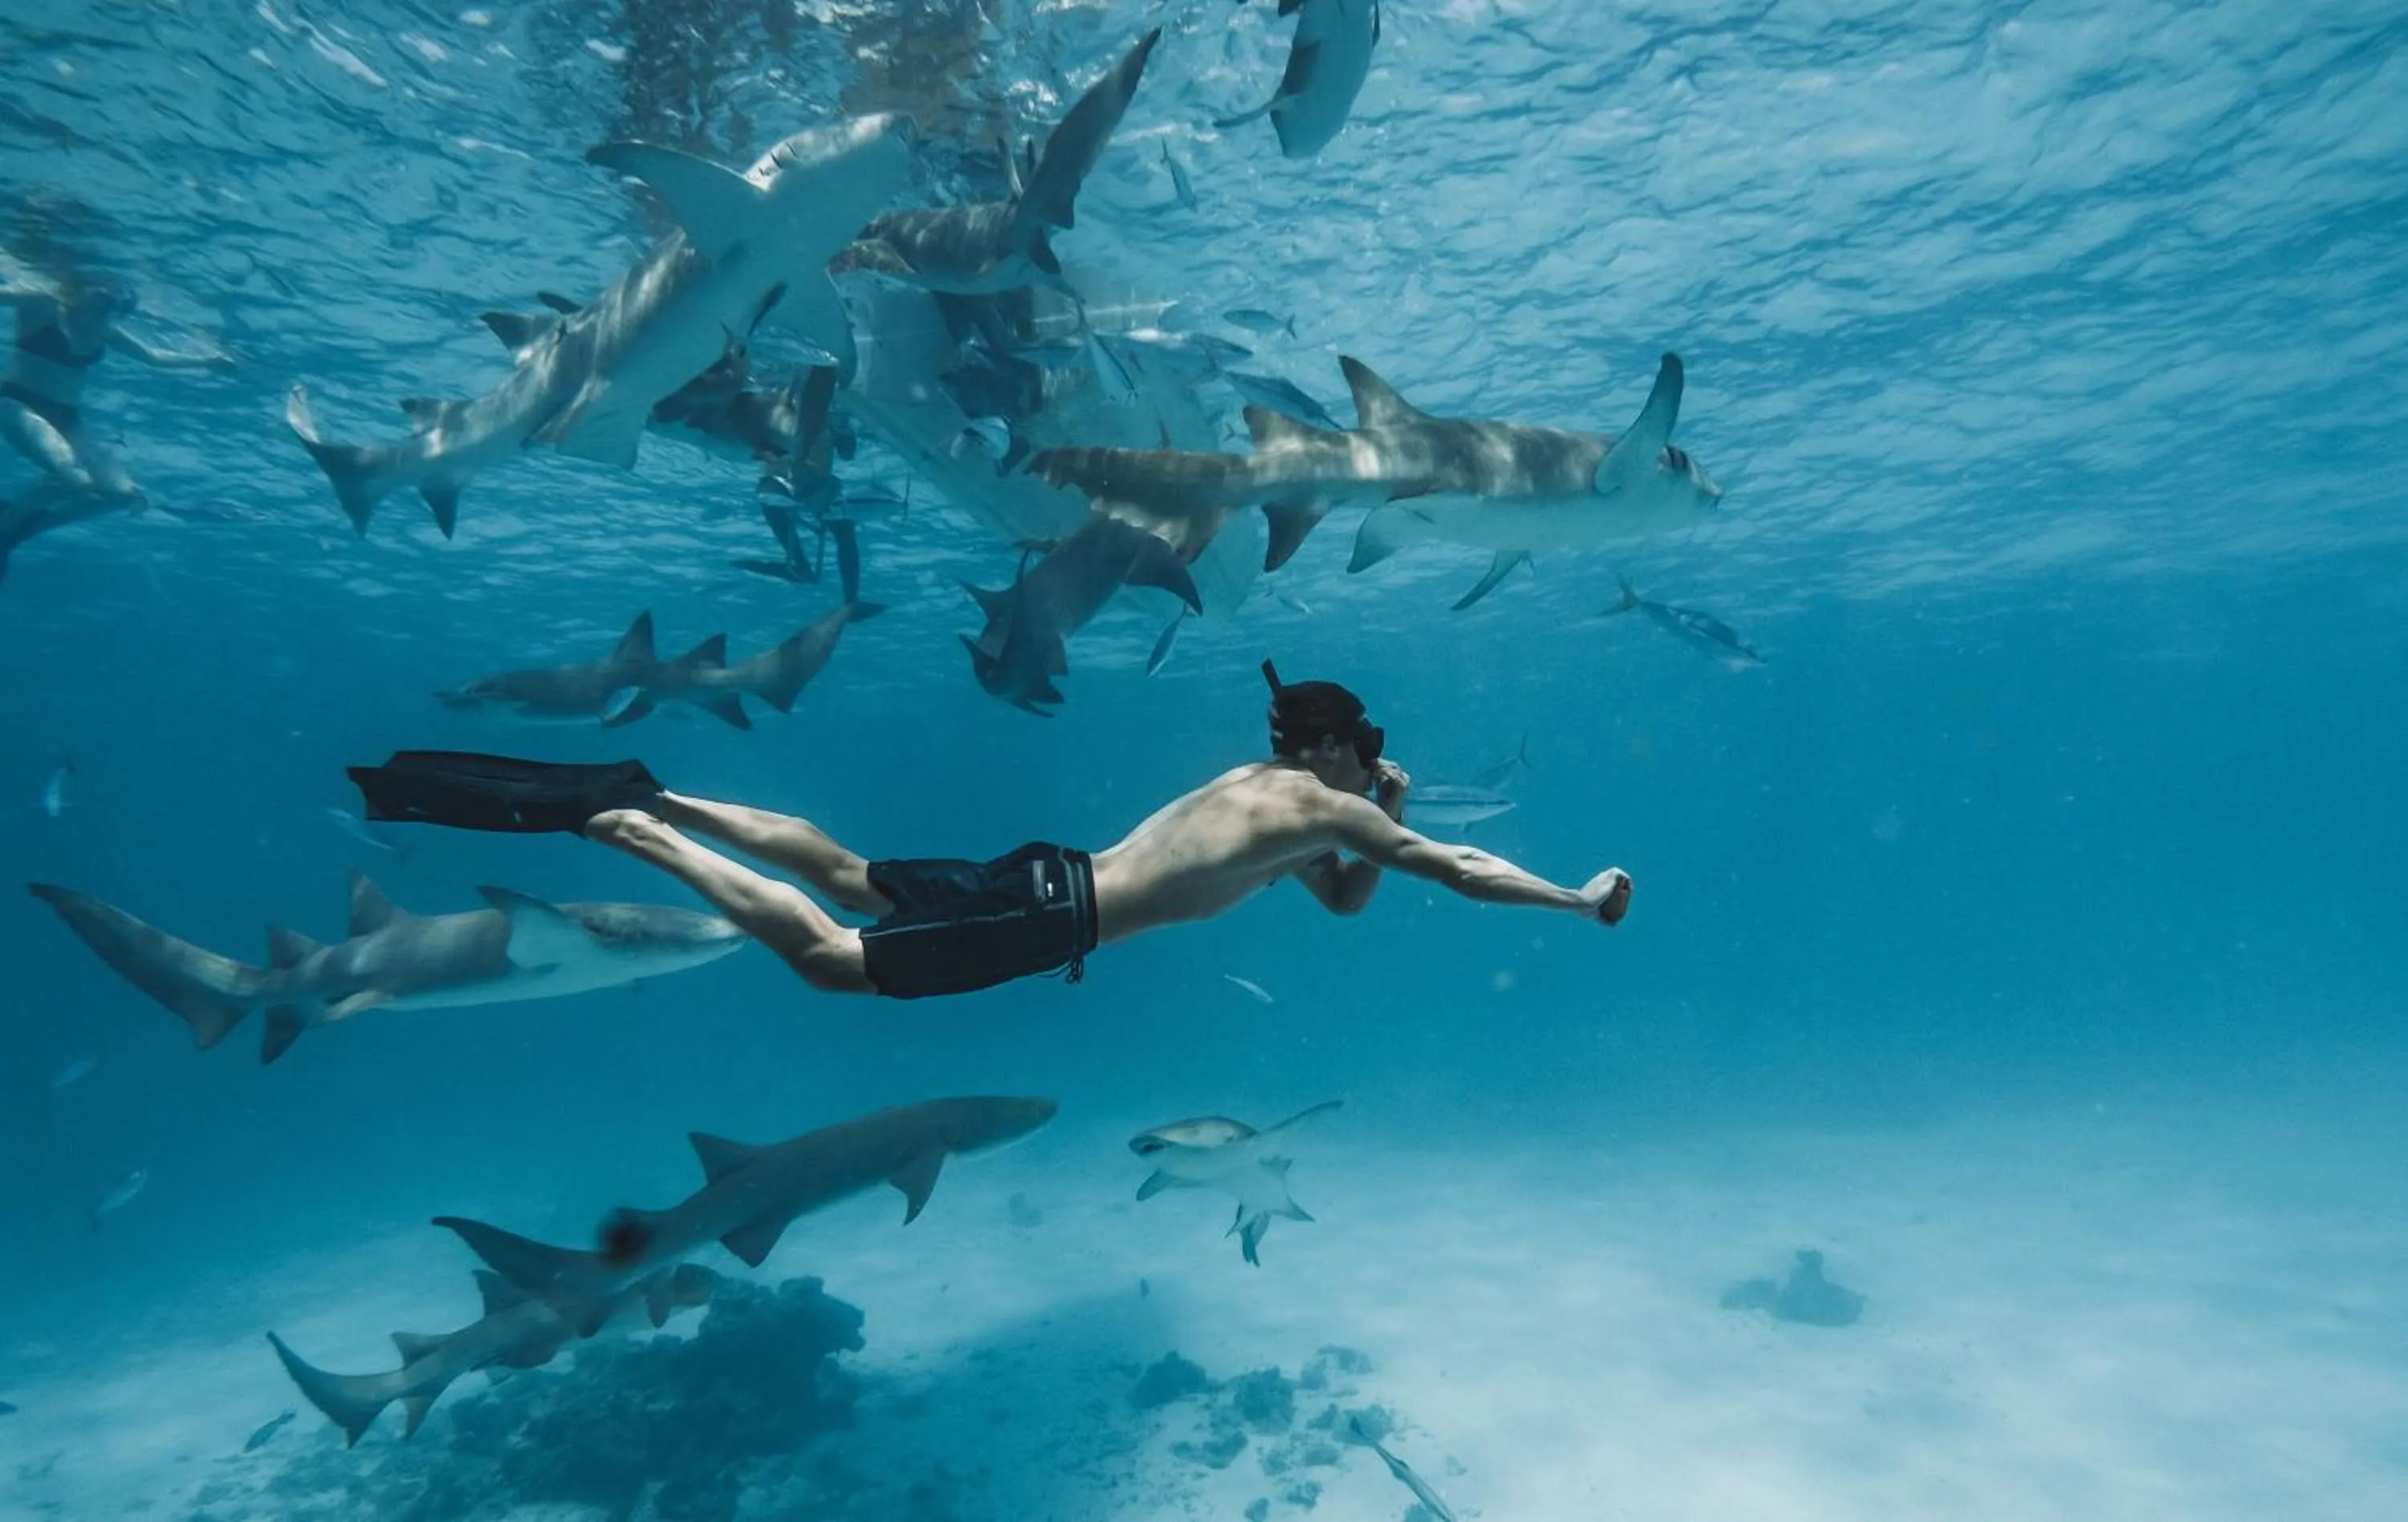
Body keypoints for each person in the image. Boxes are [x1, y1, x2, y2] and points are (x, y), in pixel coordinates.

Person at [347, 662, 1633, 999]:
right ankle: (641, 830)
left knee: (848, 869)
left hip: (1046, 871)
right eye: (1372, 747)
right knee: (831, 958)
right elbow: (1455, 873)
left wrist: (1379, 815)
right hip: (1051, 917)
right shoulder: (1320, 801)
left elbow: (1343, 902)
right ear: (1338, 747)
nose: (1379, 763)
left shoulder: (1273, 791)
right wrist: (1571, 899)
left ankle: (666, 794)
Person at [1, 269, 231, 499]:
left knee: (125, 494)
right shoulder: (40, 305)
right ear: (75, 292)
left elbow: (153, 357)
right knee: (74, 477)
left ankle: (30, 511)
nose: (101, 311)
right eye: (99, 300)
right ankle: (21, 510)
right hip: (16, 403)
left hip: (67, 417)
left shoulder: (105, 332)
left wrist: (208, 361)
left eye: (110, 307)